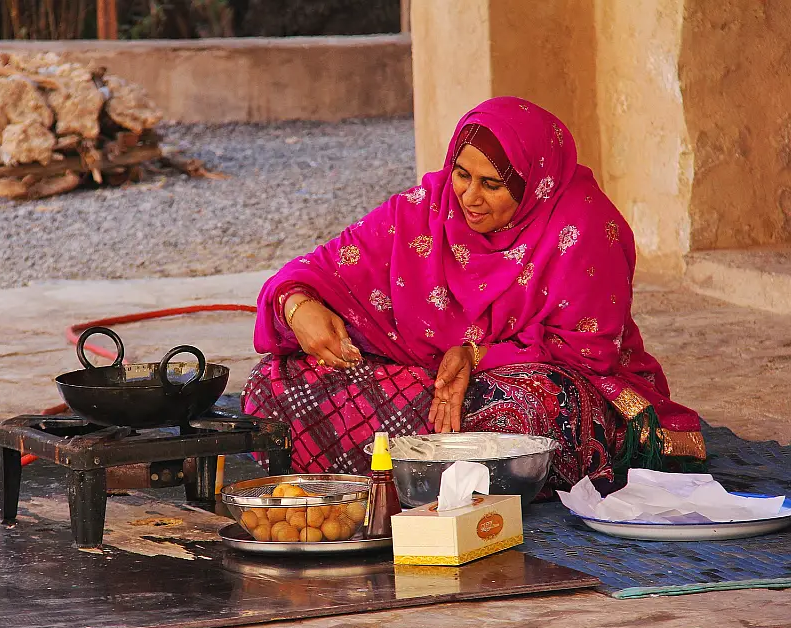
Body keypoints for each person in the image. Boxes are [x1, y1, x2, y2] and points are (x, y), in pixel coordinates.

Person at [242, 97, 704, 498]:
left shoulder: (583, 228)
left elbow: (588, 353)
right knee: (274, 382)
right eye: (462, 174)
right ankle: (422, 471)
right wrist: (298, 307)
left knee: (513, 417)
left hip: (529, 384)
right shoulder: (425, 208)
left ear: (533, 183)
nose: (469, 197)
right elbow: (313, 270)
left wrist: (478, 354)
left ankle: (400, 470)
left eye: (493, 184)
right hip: (422, 382)